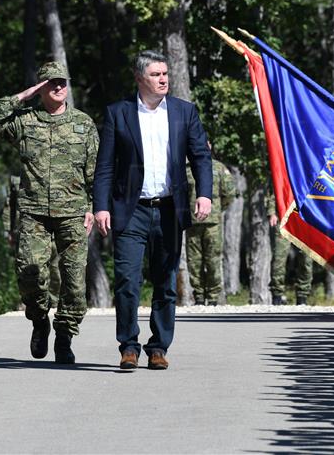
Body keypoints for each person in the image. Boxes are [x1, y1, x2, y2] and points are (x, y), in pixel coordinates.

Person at [93, 50, 212, 371]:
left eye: (165, 74)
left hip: (170, 210)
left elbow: (201, 156)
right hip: (131, 211)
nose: (163, 80)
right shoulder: (119, 113)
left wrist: (205, 194)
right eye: (156, 75)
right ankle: (128, 346)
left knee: (165, 282)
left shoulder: (184, 113)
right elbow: (104, 166)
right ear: (139, 78)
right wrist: (101, 207)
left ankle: (158, 347)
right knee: (128, 282)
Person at [0, 61, 98, 364]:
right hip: (34, 213)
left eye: (62, 82)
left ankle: (64, 336)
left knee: (73, 282)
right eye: (51, 83)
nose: (58, 87)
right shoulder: (25, 121)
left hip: (73, 212)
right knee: (30, 273)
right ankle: (39, 320)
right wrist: (23, 96)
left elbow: (95, 172)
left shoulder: (83, 124)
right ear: (41, 88)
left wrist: (93, 208)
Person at [185, 143, 236, 306]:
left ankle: (213, 296)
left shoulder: (219, 168)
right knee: (194, 261)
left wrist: (217, 209)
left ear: (210, 147)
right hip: (193, 221)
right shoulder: (186, 169)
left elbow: (229, 193)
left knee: (213, 259)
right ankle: (198, 296)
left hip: (213, 222)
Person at [3, 174, 61, 307]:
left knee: (56, 268)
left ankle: (55, 301)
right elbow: (10, 205)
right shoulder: (17, 178)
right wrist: (8, 229)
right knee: (28, 268)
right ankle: (34, 302)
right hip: (26, 229)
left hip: (53, 226)